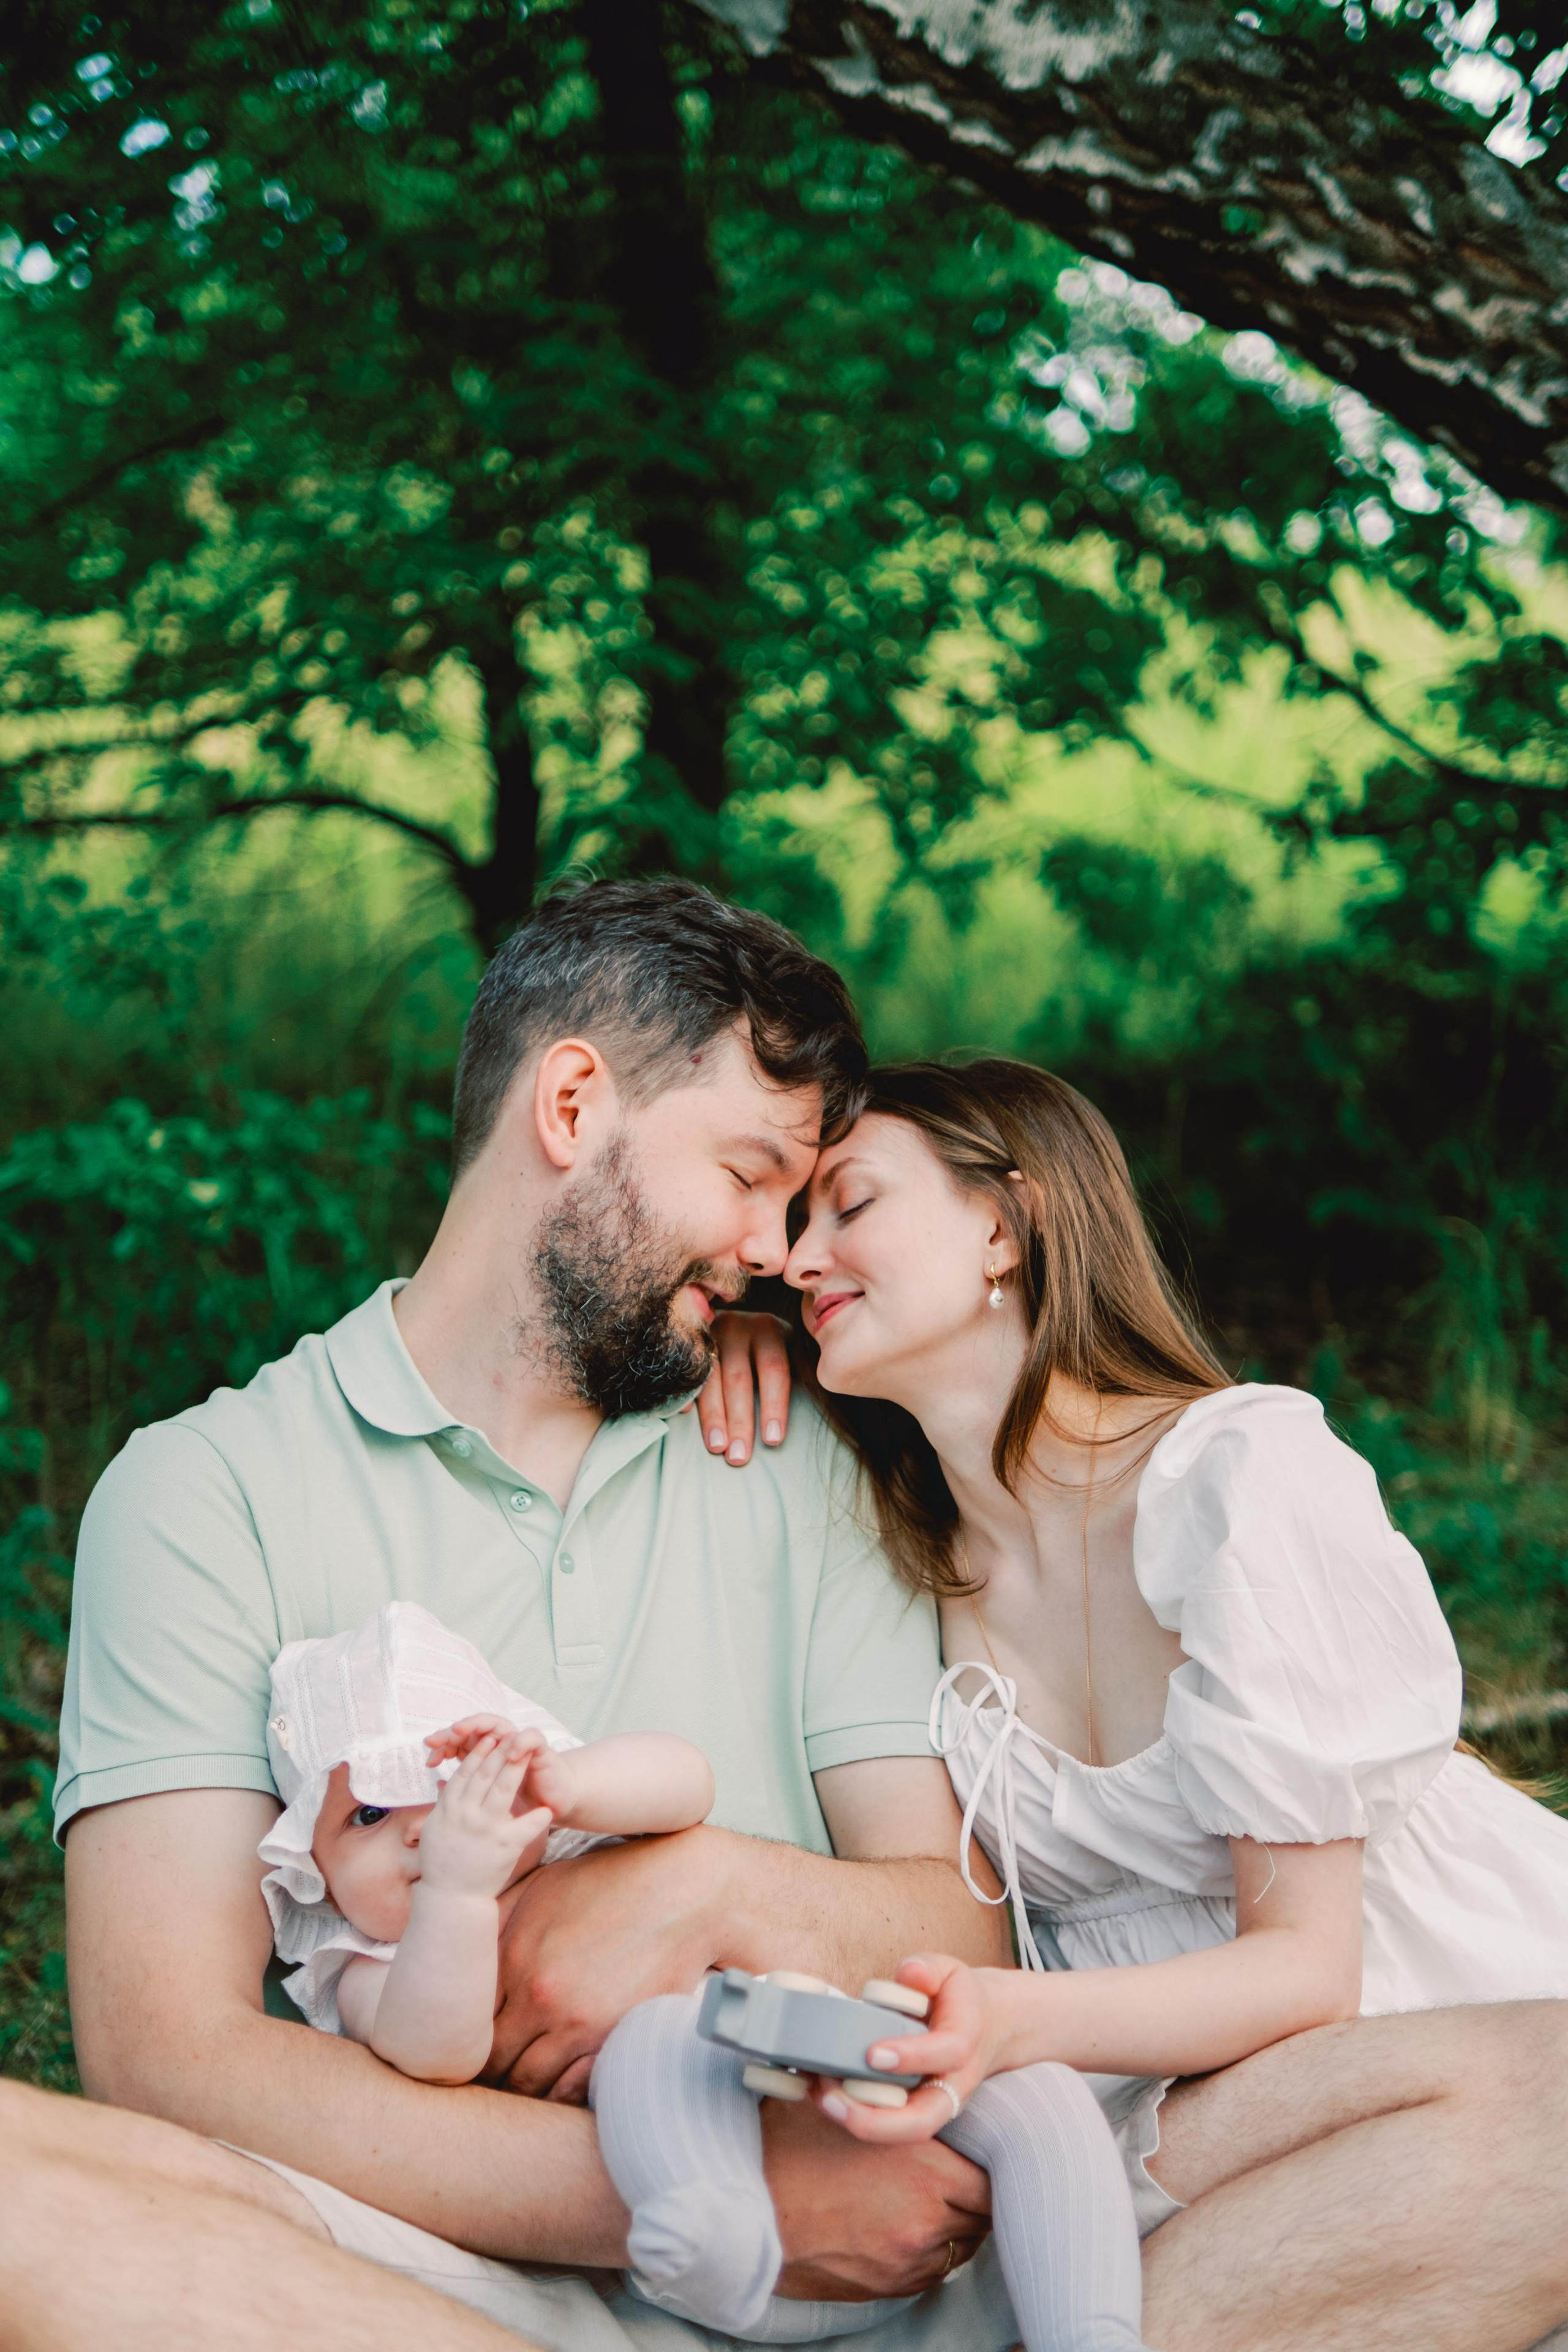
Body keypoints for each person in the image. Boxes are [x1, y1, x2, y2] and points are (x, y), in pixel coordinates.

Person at [40, 881, 1019, 2352]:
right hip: (403, 2280)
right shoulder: (202, 1495)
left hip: (851, 2301)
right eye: (752, 1175)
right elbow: (165, 2050)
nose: (776, 1250)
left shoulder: (805, 1444)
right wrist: (709, 2199)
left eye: (802, 1202)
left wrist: (705, 1889)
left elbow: (968, 1930)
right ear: (571, 1105)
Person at [702, 1053, 1568, 2352]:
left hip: (1417, 2030)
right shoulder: (911, 1560)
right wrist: (741, 1334)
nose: (790, 1254)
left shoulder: (1239, 1480)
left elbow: (1308, 1971)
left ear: (1006, 1223)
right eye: (792, 1227)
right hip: (1156, 2108)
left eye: (849, 1206)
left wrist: (1001, 2025)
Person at [268, 1601, 1157, 2352]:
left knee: (1033, 2090)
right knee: (663, 2035)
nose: (421, 1829)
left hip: (840, 2099)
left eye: (449, 1783)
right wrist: (458, 1895)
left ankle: (1090, 2328)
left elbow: (684, 1783)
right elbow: (436, 2050)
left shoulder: (571, 1843)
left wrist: (564, 1783)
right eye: (369, 1815)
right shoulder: (366, 1961)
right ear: (310, 1862)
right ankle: (713, 2226)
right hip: (749, 2239)